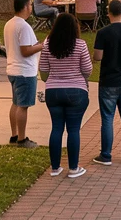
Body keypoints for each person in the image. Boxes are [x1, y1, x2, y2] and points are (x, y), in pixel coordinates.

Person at [37, 13, 92, 177]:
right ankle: (74, 168)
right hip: (76, 90)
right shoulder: (80, 45)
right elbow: (88, 70)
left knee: (56, 128)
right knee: (73, 130)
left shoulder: (48, 45)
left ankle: (55, 167)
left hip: (53, 91)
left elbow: (44, 70)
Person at [91, 0, 121, 165]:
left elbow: (97, 57)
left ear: (108, 13)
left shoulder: (103, 33)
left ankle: (106, 155)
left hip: (108, 80)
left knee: (107, 118)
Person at [5, 0, 44, 148]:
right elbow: (26, 51)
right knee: (23, 106)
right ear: (26, 7)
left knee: (15, 103)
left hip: (13, 70)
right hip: (25, 72)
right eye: (31, 5)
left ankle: (14, 135)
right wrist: (42, 45)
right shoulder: (24, 26)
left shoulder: (9, 24)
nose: (32, 8)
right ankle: (22, 139)